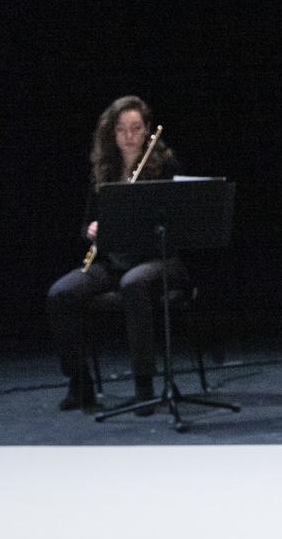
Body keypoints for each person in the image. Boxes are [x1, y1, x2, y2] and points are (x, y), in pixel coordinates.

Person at [45, 95, 187, 413]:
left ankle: (143, 385)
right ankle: (80, 383)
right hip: (112, 261)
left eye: (136, 128)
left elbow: (179, 223)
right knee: (60, 294)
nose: (128, 135)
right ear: (112, 133)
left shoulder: (165, 166)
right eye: (121, 129)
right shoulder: (104, 170)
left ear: (148, 130)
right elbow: (86, 224)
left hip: (158, 260)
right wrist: (92, 230)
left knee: (133, 284)